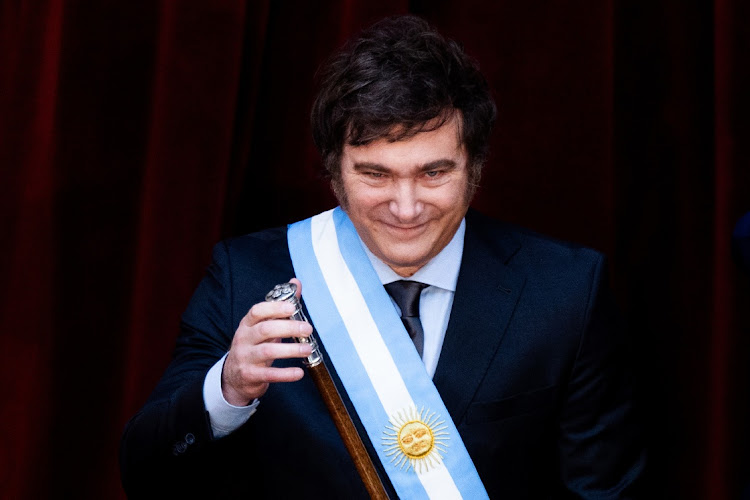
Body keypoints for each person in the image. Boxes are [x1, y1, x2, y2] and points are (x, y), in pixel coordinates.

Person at [120, 15, 645, 499]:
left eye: (434, 172)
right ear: (333, 172)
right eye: (376, 174)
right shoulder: (246, 275)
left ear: (476, 166)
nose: (407, 207)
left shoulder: (566, 289)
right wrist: (229, 388)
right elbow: (146, 470)